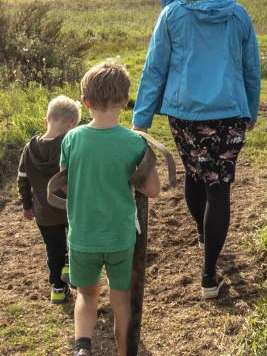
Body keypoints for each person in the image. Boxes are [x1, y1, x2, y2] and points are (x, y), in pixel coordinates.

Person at [132, 0, 261, 300]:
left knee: (195, 175)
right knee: (219, 187)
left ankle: (205, 238)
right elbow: (251, 66)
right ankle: (208, 272)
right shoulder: (237, 13)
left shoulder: (172, 14)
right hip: (230, 111)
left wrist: (140, 122)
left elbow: (154, 68)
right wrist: (251, 109)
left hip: (186, 114)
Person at [65, 60, 163, 356]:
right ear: (124, 101)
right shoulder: (134, 142)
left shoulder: (71, 138)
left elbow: (65, 182)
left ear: (85, 102)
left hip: (82, 235)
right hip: (120, 237)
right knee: (121, 301)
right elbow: (153, 190)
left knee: (86, 294)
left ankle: (82, 347)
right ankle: (124, 353)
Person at [19, 95, 80, 304]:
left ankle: (57, 290)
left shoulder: (29, 149)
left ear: (46, 121)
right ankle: (70, 266)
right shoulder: (68, 144)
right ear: (72, 125)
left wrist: (27, 206)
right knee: (75, 241)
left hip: (43, 212)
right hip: (68, 207)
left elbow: (23, 179)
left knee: (53, 250)